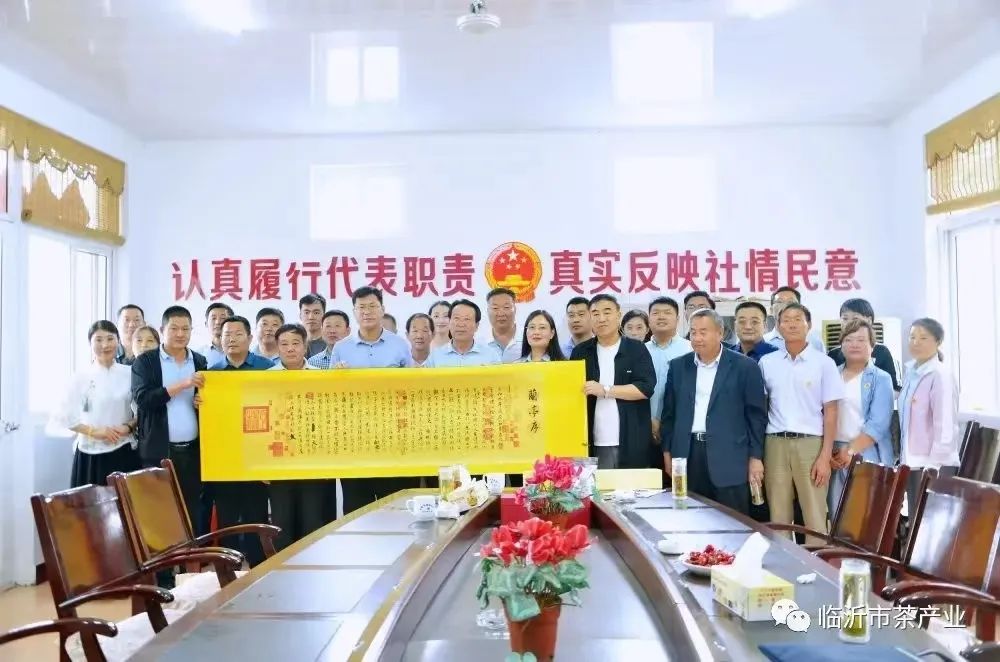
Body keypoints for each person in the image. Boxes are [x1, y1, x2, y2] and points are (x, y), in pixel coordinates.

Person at [660, 309, 767, 516]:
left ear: (720, 333)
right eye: (693, 332)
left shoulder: (745, 367)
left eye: (703, 332)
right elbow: (669, 415)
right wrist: (667, 452)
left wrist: (755, 457)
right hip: (688, 454)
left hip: (730, 457)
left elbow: (756, 417)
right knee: (690, 518)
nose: (697, 338)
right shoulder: (678, 366)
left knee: (732, 521)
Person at [758, 302, 843, 545]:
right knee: (778, 513)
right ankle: (783, 563)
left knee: (815, 513)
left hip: (811, 445)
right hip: (775, 443)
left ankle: (818, 564)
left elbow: (831, 411)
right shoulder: (767, 362)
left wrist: (825, 456)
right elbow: (762, 407)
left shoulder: (823, 363)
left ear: (809, 325)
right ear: (778, 326)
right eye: (786, 319)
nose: (792, 324)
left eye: (798, 319)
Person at [332, 287, 414, 514]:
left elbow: (411, 388)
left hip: (393, 438)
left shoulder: (400, 345)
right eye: (361, 307)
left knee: (394, 505)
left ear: (382, 309)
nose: (367, 312)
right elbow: (331, 395)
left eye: (372, 306)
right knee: (357, 509)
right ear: (354, 312)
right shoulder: (341, 348)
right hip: (356, 440)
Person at [203, 316, 274, 566]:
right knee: (227, 515)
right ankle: (229, 568)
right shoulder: (211, 374)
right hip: (225, 456)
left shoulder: (266, 368)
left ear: (250, 337)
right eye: (226, 335)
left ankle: (257, 566)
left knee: (256, 513)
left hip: (257, 453)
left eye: (237, 334)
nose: (231, 339)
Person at [131, 306, 208, 533]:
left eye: (186, 328)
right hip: (159, 451)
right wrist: (182, 385)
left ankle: (190, 555)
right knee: (158, 513)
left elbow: (205, 399)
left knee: (191, 510)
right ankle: (164, 559)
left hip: (192, 452)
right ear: (162, 330)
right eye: (174, 328)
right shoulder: (145, 362)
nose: (180, 333)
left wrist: (200, 402)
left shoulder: (199, 361)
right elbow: (143, 399)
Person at [572, 294, 655, 469]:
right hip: (593, 441)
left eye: (607, 312)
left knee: (632, 485)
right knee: (598, 486)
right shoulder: (581, 352)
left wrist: (605, 390)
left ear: (618, 315)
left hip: (631, 440)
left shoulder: (636, 349)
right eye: (595, 314)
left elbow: (645, 388)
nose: (601, 318)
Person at [54, 320, 141, 487]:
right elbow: (64, 417)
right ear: (90, 344)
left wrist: (128, 427)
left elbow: (140, 411)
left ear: (118, 341)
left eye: (110, 339)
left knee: (124, 501)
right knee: (90, 502)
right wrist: (95, 432)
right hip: (90, 453)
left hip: (123, 448)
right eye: (98, 340)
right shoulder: (80, 377)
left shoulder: (130, 373)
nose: (105, 345)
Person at [827, 319, 894, 518]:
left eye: (861, 340)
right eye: (848, 340)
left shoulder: (881, 378)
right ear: (841, 345)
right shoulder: (831, 375)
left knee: (865, 516)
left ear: (872, 346)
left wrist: (851, 451)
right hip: (833, 454)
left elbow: (879, 424)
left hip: (865, 451)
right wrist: (827, 451)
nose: (854, 344)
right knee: (837, 515)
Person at [268, 323, 326, 549]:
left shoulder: (322, 378)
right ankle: (283, 567)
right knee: (281, 522)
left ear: (305, 345)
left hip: (312, 460)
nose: (290, 348)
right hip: (278, 461)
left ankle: (312, 565)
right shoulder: (264, 378)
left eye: (295, 343)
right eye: (284, 344)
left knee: (313, 520)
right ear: (277, 347)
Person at [899, 318, 960, 515]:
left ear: (938, 341)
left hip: (934, 464)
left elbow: (946, 425)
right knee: (915, 520)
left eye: (923, 338)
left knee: (929, 522)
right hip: (913, 461)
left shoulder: (940, 375)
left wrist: (934, 465)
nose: (916, 342)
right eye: (912, 337)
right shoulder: (911, 372)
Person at [646, 297, 692, 479]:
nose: (661, 317)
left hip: (680, 429)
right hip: (645, 428)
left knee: (680, 483)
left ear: (678, 319)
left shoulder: (690, 349)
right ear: (649, 318)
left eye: (667, 313)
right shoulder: (640, 351)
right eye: (656, 313)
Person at [827, 298, 900, 390]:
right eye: (845, 318)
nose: (849, 323)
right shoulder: (833, 354)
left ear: (869, 321)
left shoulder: (882, 351)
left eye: (855, 318)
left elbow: (894, 388)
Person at [425, 300, 502, 367]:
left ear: (476, 326)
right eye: (456, 318)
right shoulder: (434, 357)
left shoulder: (491, 356)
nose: (461, 324)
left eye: (467, 319)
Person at [764, 286, 825, 352]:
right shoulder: (763, 342)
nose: (785, 305)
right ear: (771, 310)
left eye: (791, 302)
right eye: (780, 302)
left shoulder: (814, 341)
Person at [485, 287, 522, 363]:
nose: (501, 313)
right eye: (495, 308)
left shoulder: (529, 339)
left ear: (515, 309)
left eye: (506, 307)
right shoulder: (479, 343)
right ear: (488, 311)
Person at [198, 302, 234, 368]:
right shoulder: (198, 355)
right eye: (213, 318)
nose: (218, 322)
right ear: (206, 324)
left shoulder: (245, 354)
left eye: (223, 318)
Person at [299, 293, 327, 358]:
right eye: (306, 312)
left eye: (316, 313)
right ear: (300, 315)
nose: (311, 317)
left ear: (324, 316)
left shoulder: (331, 342)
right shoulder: (293, 342)